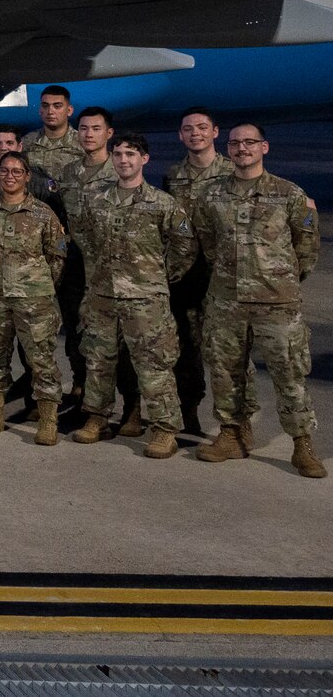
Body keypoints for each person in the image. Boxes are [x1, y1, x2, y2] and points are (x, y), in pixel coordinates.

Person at [192, 123, 323, 477]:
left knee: (289, 373)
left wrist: (284, 280)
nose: (242, 148)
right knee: (225, 372)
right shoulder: (211, 195)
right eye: (235, 143)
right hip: (226, 300)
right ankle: (232, 435)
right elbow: (206, 243)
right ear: (228, 149)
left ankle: (302, 445)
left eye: (249, 142)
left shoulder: (289, 193)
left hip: (277, 303)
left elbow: (307, 246)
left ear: (264, 147)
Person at [70, 133, 194, 457]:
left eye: (131, 154)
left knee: (154, 363)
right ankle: (97, 417)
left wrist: (159, 277)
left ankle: (165, 429)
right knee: (98, 360)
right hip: (103, 295)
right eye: (119, 154)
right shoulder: (96, 200)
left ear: (144, 159)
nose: (124, 160)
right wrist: (98, 269)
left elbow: (184, 246)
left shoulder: (161, 203)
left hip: (145, 299)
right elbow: (82, 233)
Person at [0, 151, 66, 445]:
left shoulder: (43, 214)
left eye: (17, 171)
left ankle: (48, 420)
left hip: (34, 299)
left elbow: (57, 255)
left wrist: (38, 284)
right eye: (4, 171)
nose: (10, 176)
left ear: (27, 177)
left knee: (42, 359)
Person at [163, 106, 230, 436]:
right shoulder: (173, 175)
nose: (195, 134)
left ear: (215, 132)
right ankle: (188, 413)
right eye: (188, 129)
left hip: (224, 279)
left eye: (202, 128)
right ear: (180, 135)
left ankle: (234, 425)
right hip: (185, 277)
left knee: (225, 353)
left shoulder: (234, 171)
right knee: (185, 350)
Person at [52, 106, 119, 408]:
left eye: (95, 128)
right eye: (83, 129)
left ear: (109, 133)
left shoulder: (119, 170)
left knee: (112, 337)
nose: (89, 134)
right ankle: (80, 385)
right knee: (75, 328)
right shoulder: (69, 173)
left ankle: (127, 405)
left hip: (109, 267)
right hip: (76, 263)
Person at [22, 85, 84, 182]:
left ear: (69, 110)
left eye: (57, 106)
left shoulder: (83, 142)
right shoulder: (27, 142)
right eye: (45, 106)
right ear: (40, 110)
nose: (50, 111)